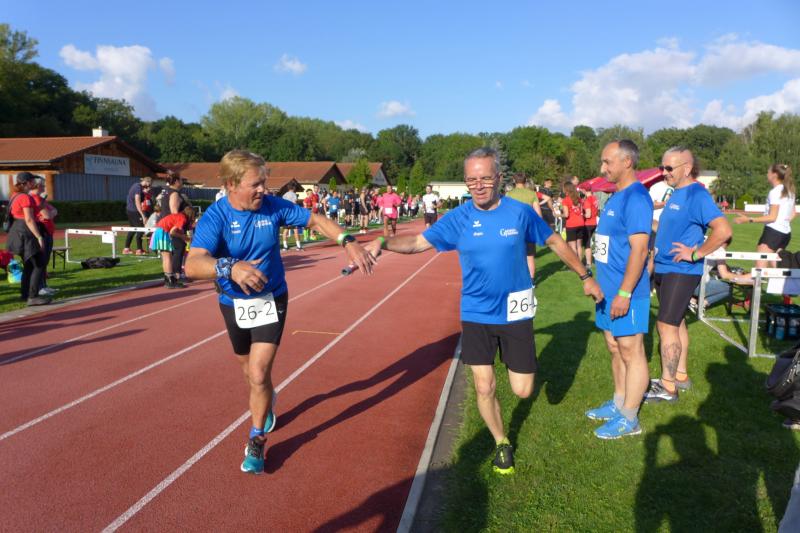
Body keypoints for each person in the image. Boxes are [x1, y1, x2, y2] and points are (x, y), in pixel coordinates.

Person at [364, 147, 602, 474]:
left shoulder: (520, 212)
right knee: (484, 385)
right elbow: (418, 243)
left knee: (523, 390)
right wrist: (383, 242)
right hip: (476, 312)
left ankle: (515, 373)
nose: (478, 186)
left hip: (515, 311)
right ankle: (501, 441)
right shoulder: (459, 218)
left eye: (486, 179)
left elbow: (555, 243)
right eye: (472, 180)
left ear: (499, 178)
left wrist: (585, 277)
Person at [185, 150, 376, 475]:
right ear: (231, 184)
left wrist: (348, 240)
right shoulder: (215, 217)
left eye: (264, 183)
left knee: (259, 373)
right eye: (256, 184)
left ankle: (257, 438)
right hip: (233, 303)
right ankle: (266, 398)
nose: (264, 190)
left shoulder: (273, 207)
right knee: (249, 373)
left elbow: (315, 220)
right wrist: (230, 267)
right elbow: (192, 264)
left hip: (271, 298)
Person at [646, 147, 732, 403]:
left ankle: (668, 386)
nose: (664, 172)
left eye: (669, 168)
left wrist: (696, 254)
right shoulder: (676, 193)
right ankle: (680, 375)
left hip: (681, 271)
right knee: (677, 322)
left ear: (687, 168)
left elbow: (723, 231)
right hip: (665, 268)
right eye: (662, 167)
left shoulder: (697, 194)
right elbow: (668, 227)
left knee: (666, 325)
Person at [585, 140, 653, 439]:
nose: (602, 168)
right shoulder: (616, 196)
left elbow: (639, 250)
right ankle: (619, 401)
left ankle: (630, 418)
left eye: (607, 162)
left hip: (627, 293)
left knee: (630, 349)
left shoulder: (636, 198)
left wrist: (624, 293)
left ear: (627, 162)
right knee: (615, 347)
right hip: (607, 290)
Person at [735, 164, 796, 268]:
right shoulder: (790, 191)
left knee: (759, 269)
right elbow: (793, 213)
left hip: (772, 233)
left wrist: (749, 219)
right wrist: (783, 223)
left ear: (774, 175)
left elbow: (772, 217)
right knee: (778, 267)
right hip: (785, 234)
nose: (767, 174)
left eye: (768, 172)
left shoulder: (775, 192)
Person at [5, 172, 50, 306]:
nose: (34, 183)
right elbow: (29, 219)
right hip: (26, 233)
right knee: (39, 264)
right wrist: (39, 236)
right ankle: (33, 296)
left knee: (29, 265)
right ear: (27, 183)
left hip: (17, 232)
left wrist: (40, 206)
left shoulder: (15, 195)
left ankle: (25, 294)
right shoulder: (25, 197)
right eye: (32, 181)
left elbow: (23, 214)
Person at [505, 173, 542, 283]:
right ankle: (531, 281)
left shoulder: (509, 194)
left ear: (514, 180)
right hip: (529, 228)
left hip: (514, 228)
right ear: (525, 181)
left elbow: (505, 213)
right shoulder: (532, 194)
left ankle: (516, 279)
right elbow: (539, 215)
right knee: (530, 256)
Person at [151, 206, 195, 288]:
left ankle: (168, 279)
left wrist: (182, 235)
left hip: (159, 231)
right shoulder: (182, 218)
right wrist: (183, 237)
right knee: (168, 257)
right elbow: (172, 232)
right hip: (163, 232)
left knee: (165, 257)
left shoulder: (178, 216)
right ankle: (170, 280)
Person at [159, 172, 192, 278]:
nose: (182, 182)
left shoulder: (167, 192)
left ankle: (174, 274)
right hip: (172, 226)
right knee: (179, 248)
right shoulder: (174, 194)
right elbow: (174, 211)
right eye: (181, 180)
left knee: (175, 250)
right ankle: (177, 274)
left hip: (167, 225)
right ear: (176, 181)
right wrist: (179, 229)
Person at [30, 178, 58, 296]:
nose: (44, 187)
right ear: (37, 186)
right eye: (42, 185)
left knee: (45, 261)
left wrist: (51, 213)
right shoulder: (35, 198)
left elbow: (54, 210)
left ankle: (44, 286)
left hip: (48, 231)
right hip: (43, 232)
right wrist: (51, 213)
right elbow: (47, 215)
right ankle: (40, 287)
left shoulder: (41, 198)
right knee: (41, 261)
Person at [123, 176, 153, 255]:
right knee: (140, 229)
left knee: (132, 229)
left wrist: (145, 192)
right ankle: (139, 250)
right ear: (147, 182)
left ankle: (126, 249)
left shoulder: (137, 186)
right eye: (149, 184)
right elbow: (137, 202)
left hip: (130, 210)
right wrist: (142, 215)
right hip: (134, 211)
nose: (149, 186)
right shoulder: (138, 187)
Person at [561, 181, 586, 269]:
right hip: (581, 223)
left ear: (566, 189)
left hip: (571, 224)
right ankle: (580, 264)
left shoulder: (566, 200)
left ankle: (575, 266)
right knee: (579, 245)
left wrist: (558, 215)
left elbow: (566, 215)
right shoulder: (578, 199)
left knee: (572, 247)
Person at [581, 187, 598, 268]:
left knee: (587, 244)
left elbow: (588, 215)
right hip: (594, 222)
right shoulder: (595, 198)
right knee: (589, 243)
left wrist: (581, 215)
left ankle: (588, 263)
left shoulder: (587, 200)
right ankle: (589, 260)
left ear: (585, 190)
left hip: (588, 224)